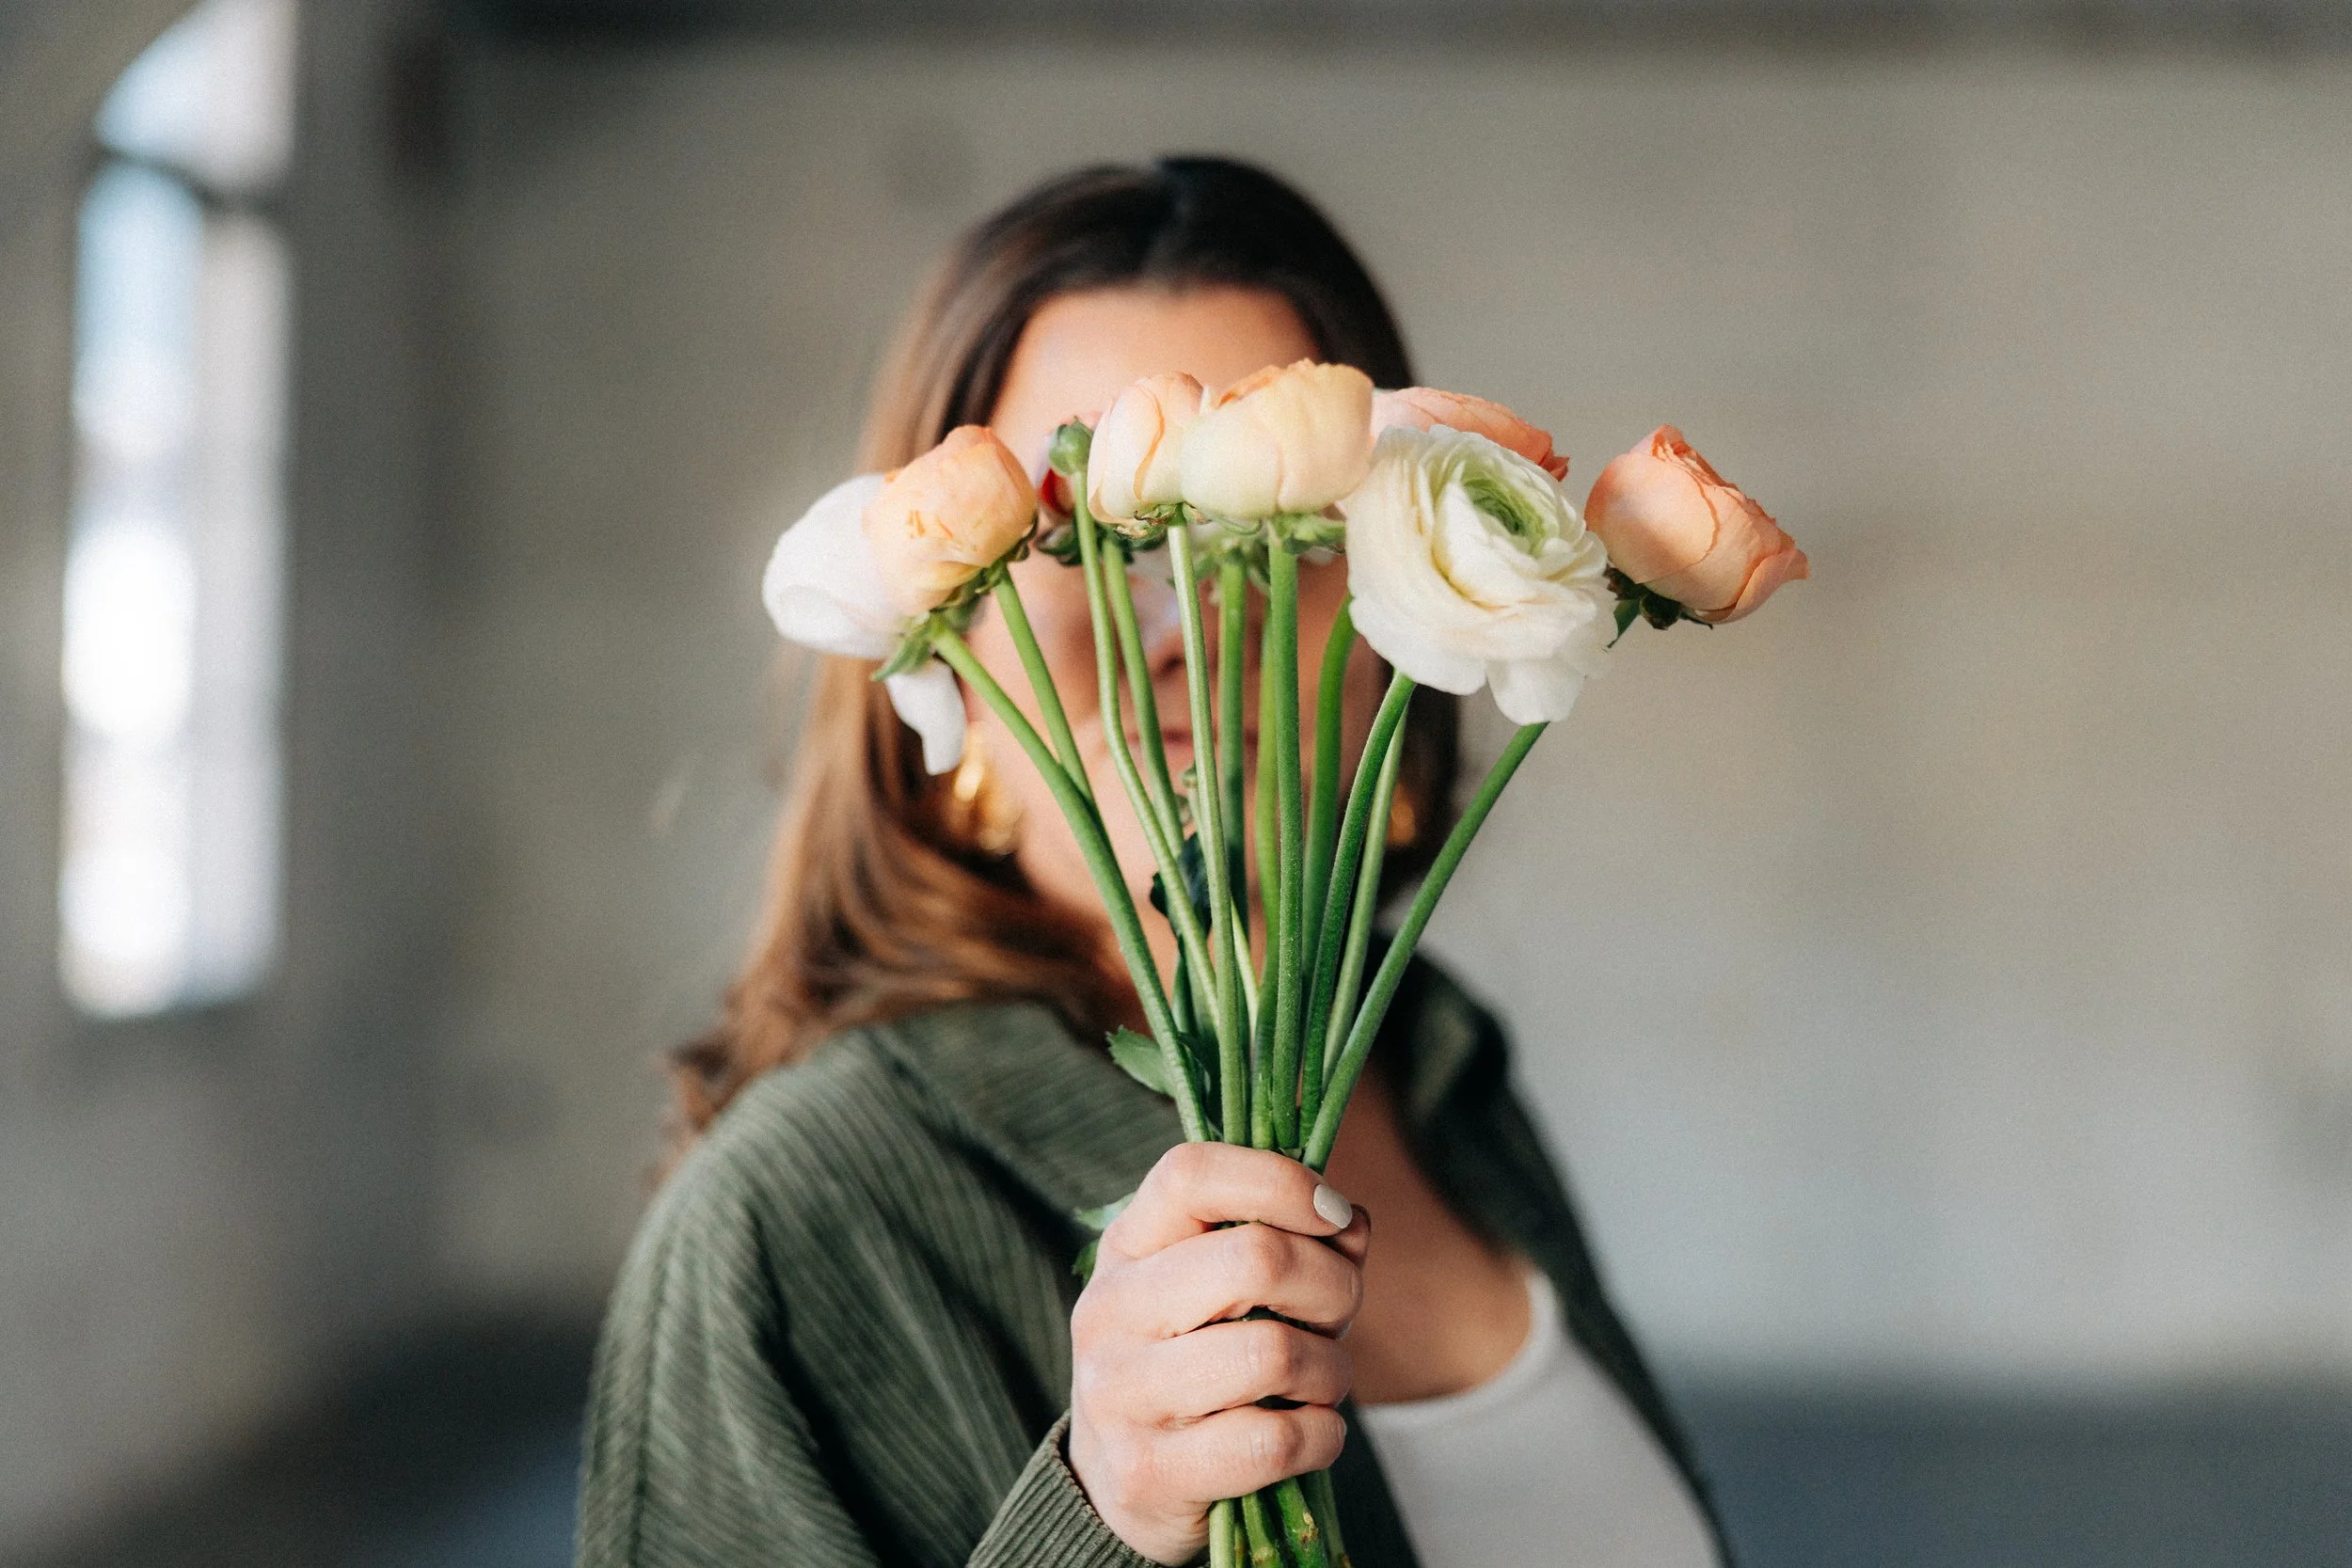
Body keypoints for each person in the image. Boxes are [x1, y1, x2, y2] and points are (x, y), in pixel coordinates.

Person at [579, 157, 1729, 1568]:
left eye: (1289, 525)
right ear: (942, 637)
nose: (1196, 617)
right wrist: (1107, 1519)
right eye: (1096, 538)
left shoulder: (1439, 1068)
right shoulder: (785, 1226)